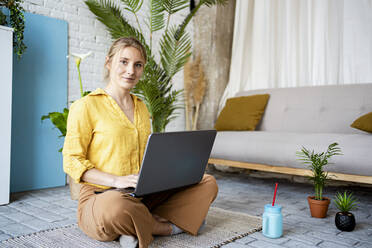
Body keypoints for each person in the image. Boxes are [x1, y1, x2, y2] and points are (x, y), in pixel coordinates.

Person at [62, 37, 218, 248]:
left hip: (141, 192)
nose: (131, 71)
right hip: (102, 196)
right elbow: (72, 161)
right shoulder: (86, 106)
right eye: (123, 62)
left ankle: (134, 226)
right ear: (109, 63)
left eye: (138, 65)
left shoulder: (142, 107)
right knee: (115, 208)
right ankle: (166, 227)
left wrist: (172, 172)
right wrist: (116, 181)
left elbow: (148, 155)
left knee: (207, 183)